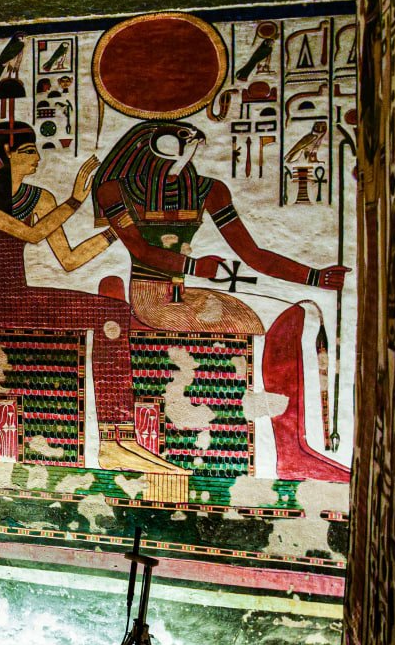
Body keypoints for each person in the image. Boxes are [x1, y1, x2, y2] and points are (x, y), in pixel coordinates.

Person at [93, 120, 349, 481]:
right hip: (151, 300)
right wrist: (194, 266)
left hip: (184, 295)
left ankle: (294, 447)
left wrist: (314, 277)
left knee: (291, 313)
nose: (191, 149)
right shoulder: (114, 190)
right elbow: (140, 250)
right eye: (183, 140)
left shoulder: (209, 190)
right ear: (156, 144)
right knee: (265, 321)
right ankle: (288, 449)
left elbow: (251, 253)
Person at [0, 121, 175, 471]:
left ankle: (119, 439)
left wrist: (117, 233)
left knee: (115, 312)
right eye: (29, 152)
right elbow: (29, 234)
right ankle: (115, 443)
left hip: (24, 295)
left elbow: (70, 259)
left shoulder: (41, 199)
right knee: (110, 314)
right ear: (6, 155)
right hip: (1, 299)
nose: (38, 159)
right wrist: (75, 199)